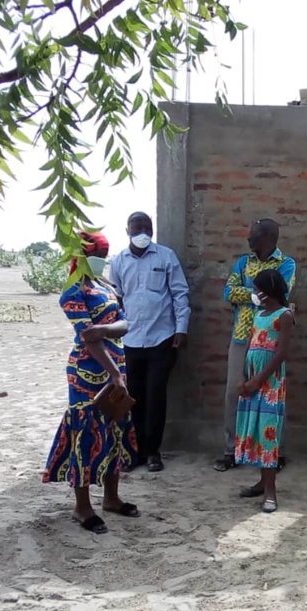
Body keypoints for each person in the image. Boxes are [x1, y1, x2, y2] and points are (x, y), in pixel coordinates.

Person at [43, 231, 140, 535]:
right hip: (87, 372)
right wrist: (114, 372)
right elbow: (87, 339)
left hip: (116, 369)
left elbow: (125, 323)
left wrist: (104, 329)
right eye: (98, 254)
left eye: (104, 254)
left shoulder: (104, 285)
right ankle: (82, 506)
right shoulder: (73, 291)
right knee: (86, 434)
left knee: (114, 428)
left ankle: (111, 498)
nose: (102, 260)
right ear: (83, 256)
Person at [109, 211, 191, 472]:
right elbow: (116, 298)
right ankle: (134, 452)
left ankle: (153, 451)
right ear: (127, 231)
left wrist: (182, 329)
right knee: (133, 396)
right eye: (137, 227)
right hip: (130, 339)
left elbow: (179, 293)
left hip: (162, 337)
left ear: (152, 230)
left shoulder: (166, 256)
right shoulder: (119, 261)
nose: (142, 232)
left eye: (147, 227)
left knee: (156, 394)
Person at [215, 219, 296, 473]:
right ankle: (232, 450)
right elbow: (228, 292)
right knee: (234, 393)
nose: (249, 239)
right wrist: (253, 295)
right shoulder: (243, 262)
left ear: (268, 237)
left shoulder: (286, 264)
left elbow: (282, 293)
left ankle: (274, 452)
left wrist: (247, 293)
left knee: (271, 396)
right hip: (242, 336)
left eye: (254, 235)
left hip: (271, 336)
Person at [234, 269, 295, 513]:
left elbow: (280, 353)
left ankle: (271, 490)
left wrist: (257, 381)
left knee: (268, 434)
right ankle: (262, 482)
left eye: (257, 288)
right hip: (252, 381)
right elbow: (250, 346)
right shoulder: (259, 315)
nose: (254, 292)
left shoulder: (284, 315)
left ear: (266, 291)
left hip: (269, 383)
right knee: (257, 432)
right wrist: (243, 378)